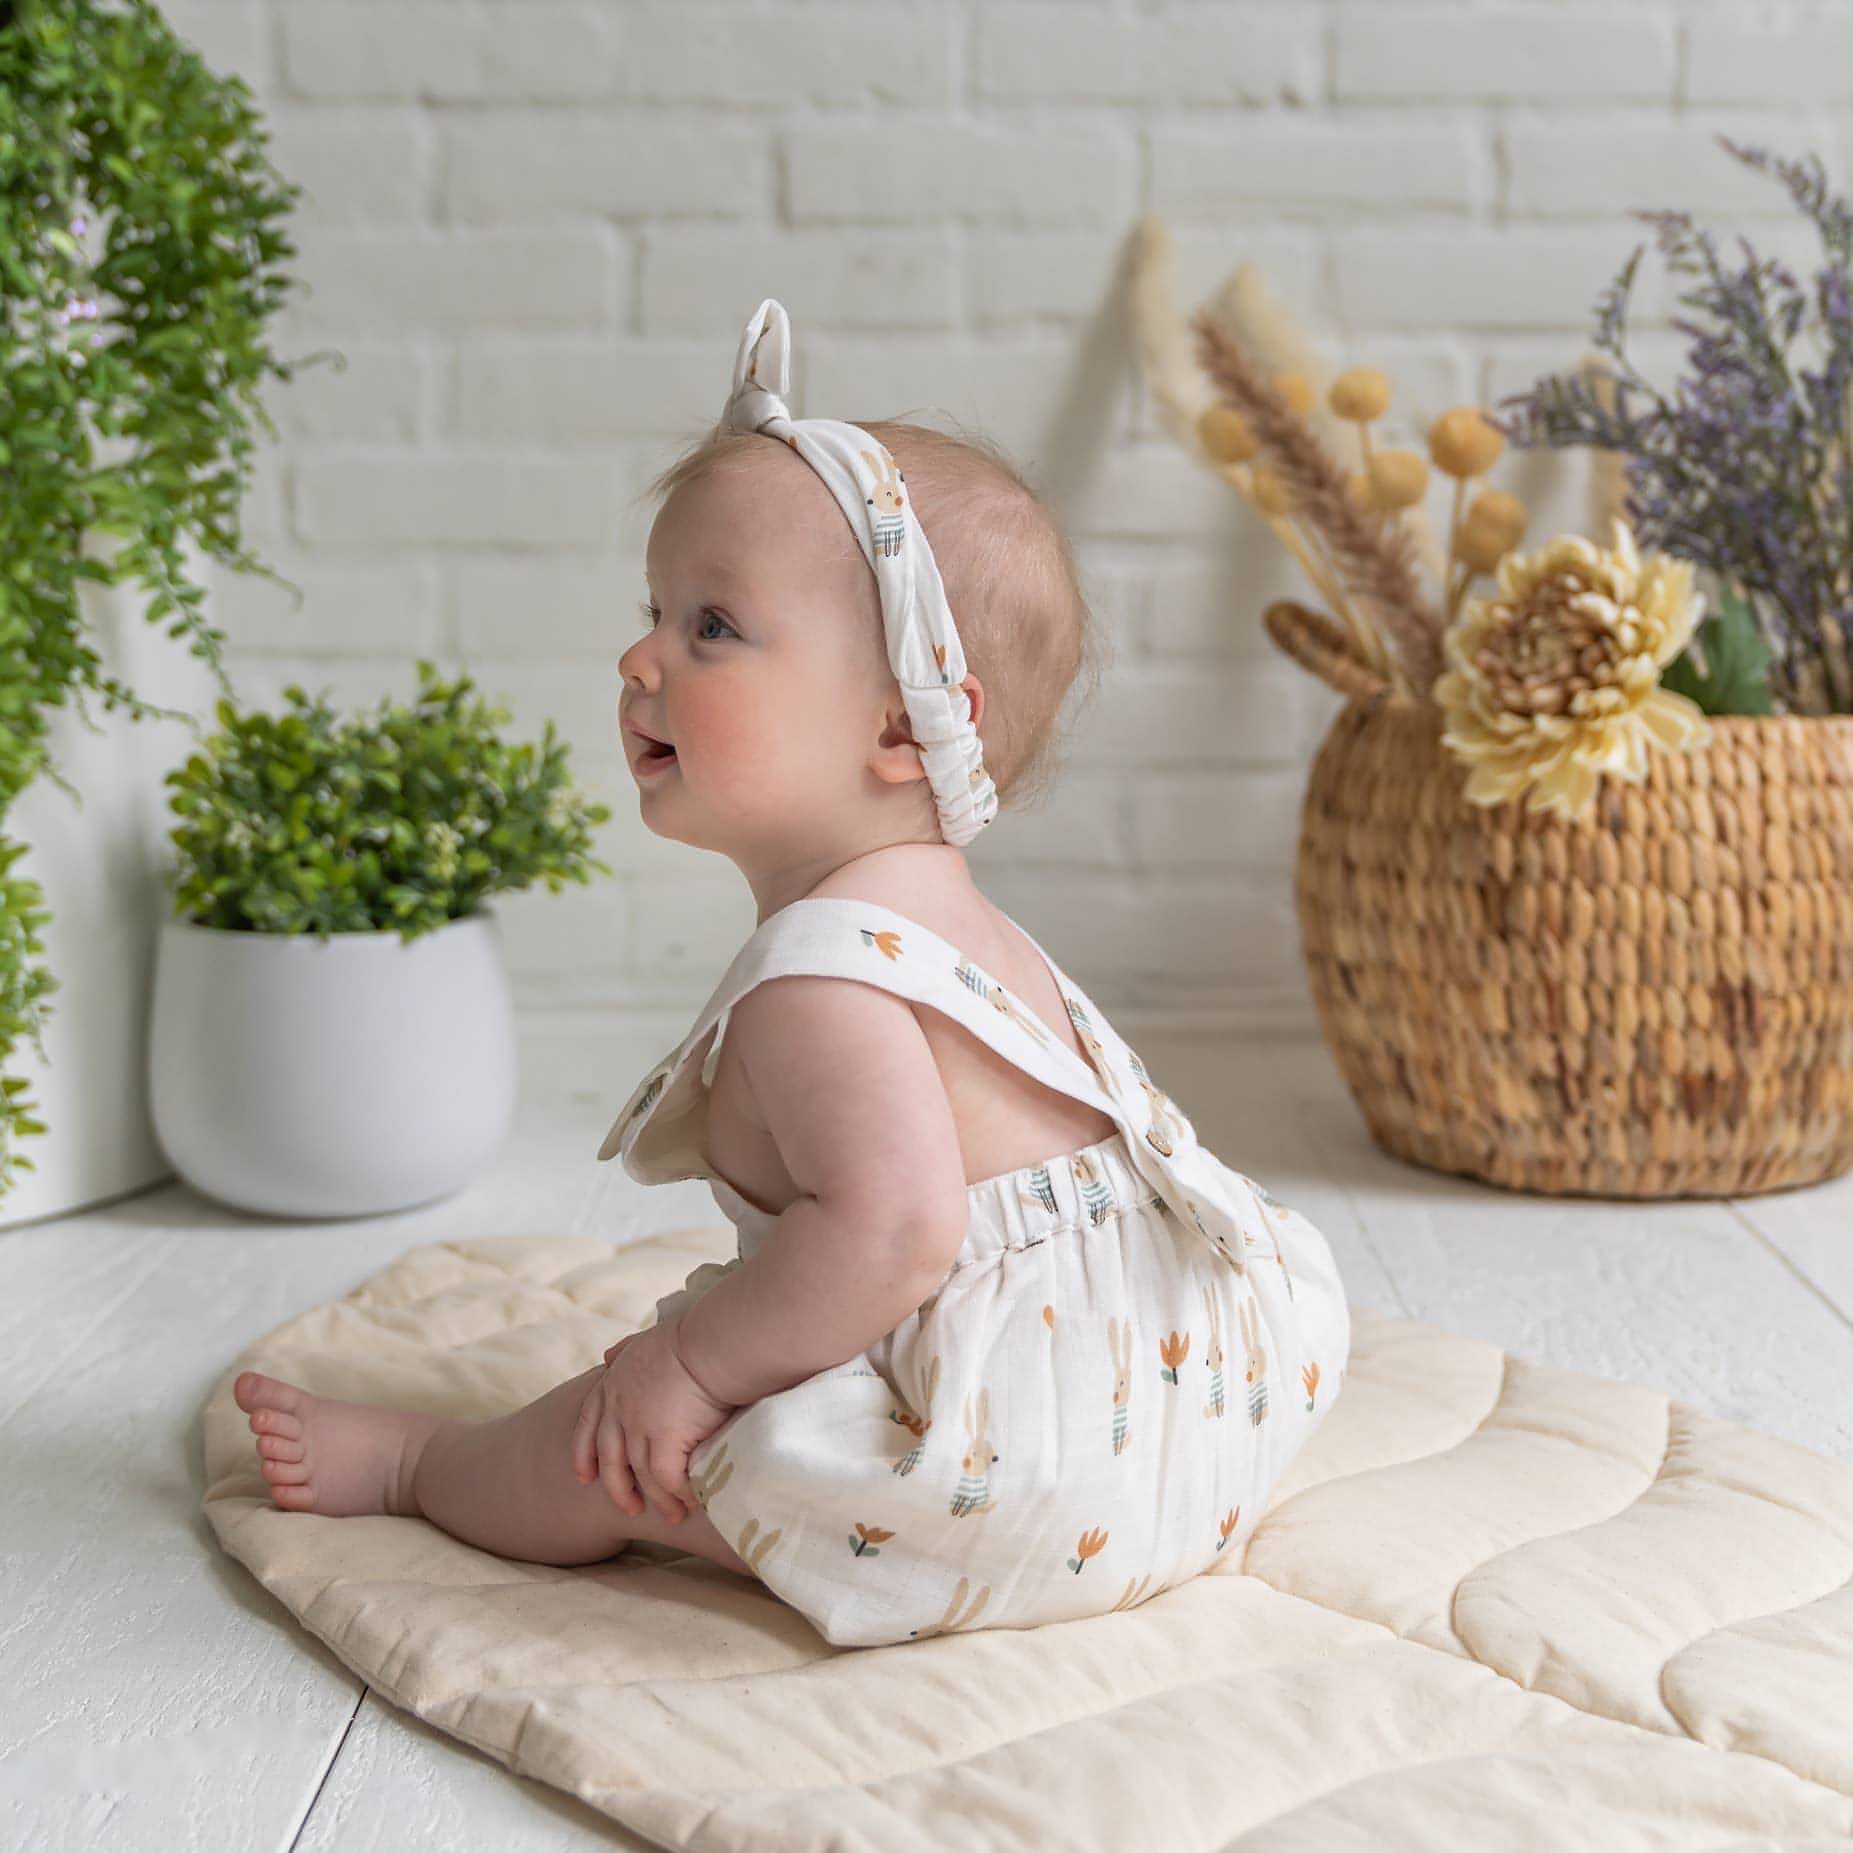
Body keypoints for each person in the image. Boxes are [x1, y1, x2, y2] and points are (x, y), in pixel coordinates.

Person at [234, 299, 1351, 1650]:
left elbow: (895, 1234)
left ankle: (421, 1466)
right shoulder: (959, 925)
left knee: (621, 1438)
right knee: (737, 1358)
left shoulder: (820, 980)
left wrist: (681, 1367)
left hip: (1028, 1472)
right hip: (1197, 1410)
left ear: (901, 726)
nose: (639, 657)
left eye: (712, 626)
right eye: (656, 612)